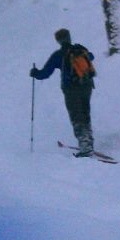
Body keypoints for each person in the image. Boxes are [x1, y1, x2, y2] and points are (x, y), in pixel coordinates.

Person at [29, 29, 96, 157]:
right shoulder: (80, 49)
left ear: (58, 40)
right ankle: (88, 142)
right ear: (69, 37)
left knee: (77, 116)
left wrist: (35, 73)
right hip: (87, 86)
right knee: (85, 113)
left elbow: (45, 73)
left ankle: (85, 146)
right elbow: (91, 56)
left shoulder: (58, 55)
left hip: (71, 89)